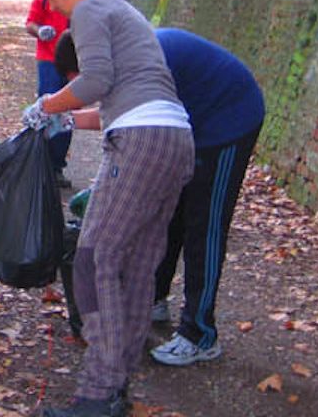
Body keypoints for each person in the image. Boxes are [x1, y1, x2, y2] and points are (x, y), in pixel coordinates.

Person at [22, 0, 194, 417]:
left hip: (140, 143)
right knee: (137, 266)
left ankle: (98, 394)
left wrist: (46, 104)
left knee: (93, 260)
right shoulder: (123, 8)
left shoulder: (92, 9)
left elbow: (95, 79)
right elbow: (124, 93)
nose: (51, 7)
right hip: (174, 138)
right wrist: (68, 119)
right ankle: (114, 387)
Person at [53, 28, 266, 366]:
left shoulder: (138, 63)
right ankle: (154, 298)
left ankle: (200, 334)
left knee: (204, 224)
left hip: (226, 120)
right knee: (170, 215)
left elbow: (128, 124)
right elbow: (116, 114)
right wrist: (62, 117)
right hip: (187, 122)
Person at [26, 0, 73, 188]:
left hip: (73, 59)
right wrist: (40, 31)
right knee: (49, 106)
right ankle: (40, 164)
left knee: (67, 109)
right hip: (49, 58)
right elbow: (30, 23)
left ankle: (56, 166)